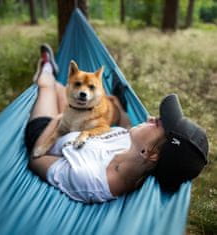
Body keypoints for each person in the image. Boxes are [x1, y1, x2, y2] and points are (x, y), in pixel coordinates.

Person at [25, 44, 208, 203]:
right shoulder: (136, 151)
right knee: (65, 89)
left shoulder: (89, 179)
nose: (151, 117)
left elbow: (36, 160)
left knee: (47, 85)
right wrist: (119, 107)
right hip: (79, 121)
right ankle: (58, 83)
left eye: (158, 124)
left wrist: (59, 118)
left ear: (150, 154)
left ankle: (46, 67)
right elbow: (127, 128)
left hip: (46, 134)